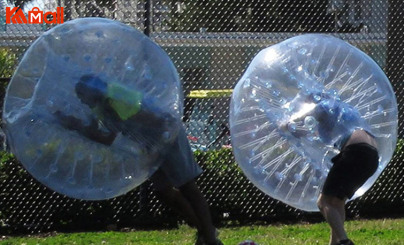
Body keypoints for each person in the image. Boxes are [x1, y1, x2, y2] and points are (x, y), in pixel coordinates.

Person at [55, 74, 223, 245]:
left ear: (92, 91)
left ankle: (210, 238)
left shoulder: (117, 99)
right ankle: (205, 230)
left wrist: (157, 149)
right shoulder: (99, 106)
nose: (81, 101)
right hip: (151, 145)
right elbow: (104, 137)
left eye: (81, 96)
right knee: (163, 192)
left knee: (187, 186)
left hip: (167, 134)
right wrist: (76, 126)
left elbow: (156, 120)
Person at [283, 91, 379, 245]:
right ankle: (335, 242)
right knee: (337, 202)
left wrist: (288, 123)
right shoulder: (342, 113)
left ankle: (345, 242)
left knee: (323, 202)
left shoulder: (324, 106)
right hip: (371, 157)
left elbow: (305, 117)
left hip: (355, 152)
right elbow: (306, 132)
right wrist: (292, 131)